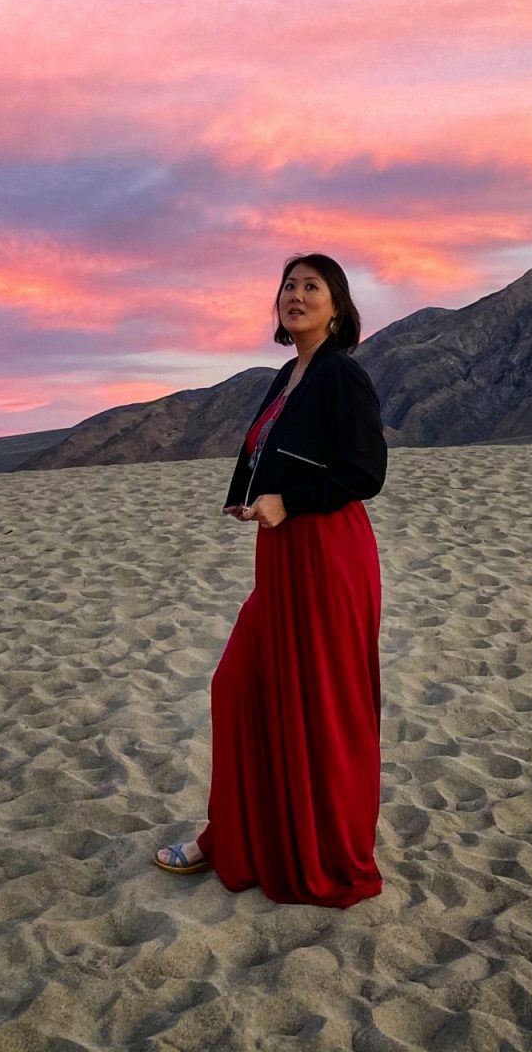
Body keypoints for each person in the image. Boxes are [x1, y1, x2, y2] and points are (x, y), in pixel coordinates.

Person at [152, 252, 389, 907]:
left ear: (336, 308)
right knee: (238, 685)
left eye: (312, 286)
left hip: (328, 555)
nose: (296, 294)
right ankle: (234, 834)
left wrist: (292, 501)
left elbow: (365, 471)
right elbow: (266, 454)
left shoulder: (342, 375)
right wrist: (250, 496)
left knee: (324, 708)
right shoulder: (288, 373)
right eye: (289, 284)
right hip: (280, 555)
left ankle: (327, 853)